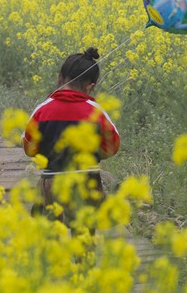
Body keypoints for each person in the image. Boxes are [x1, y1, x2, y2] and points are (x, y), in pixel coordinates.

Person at [23, 48, 120, 227]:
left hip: (53, 183)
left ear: (59, 78)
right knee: (84, 239)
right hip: (88, 183)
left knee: (51, 237)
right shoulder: (97, 112)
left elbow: (29, 148)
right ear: (91, 87)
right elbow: (112, 147)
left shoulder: (43, 110)